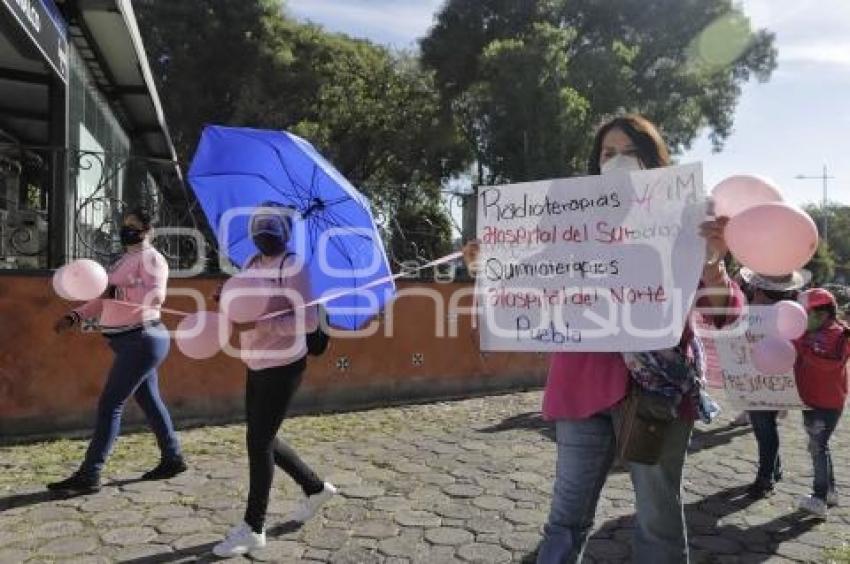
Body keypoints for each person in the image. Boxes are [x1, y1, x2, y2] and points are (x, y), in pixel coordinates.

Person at [466, 114, 742, 564]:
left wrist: (712, 262)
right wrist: (488, 265)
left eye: (629, 152)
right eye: (607, 153)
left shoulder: (688, 220)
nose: (616, 161)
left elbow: (723, 315)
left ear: (654, 160)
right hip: (582, 387)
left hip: (658, 394)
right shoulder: (570, 218)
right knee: (565, 518)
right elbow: (531, 282)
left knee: (658, 521)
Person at [213, 203, 336, 558]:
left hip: (284, 363)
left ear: (283, 232)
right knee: (262, 437)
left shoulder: (293, 265)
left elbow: (309, 320)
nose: (262, 231)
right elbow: (248, 303)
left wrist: (261, 325)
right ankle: (315, 488)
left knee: (258, 440)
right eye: (258, 224)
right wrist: (226, 299)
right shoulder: (252, 263)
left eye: (270, 225)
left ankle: (254, 527)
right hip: (254, 358)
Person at [49, 208, 186, 494]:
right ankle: (173, 458)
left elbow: (155, 296)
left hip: (142, 339)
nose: (127, 230)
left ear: (147, 230)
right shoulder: (124, 259)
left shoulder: (152, 258)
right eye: (124, 225)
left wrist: (116, 292)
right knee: (149, 401)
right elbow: (102, 298)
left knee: (111, 404)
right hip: (128, 341)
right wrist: (75, 316)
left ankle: (90, 474)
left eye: (133, 226)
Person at [736, 267, 810, 499]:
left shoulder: (757, 313)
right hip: (770, 380)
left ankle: (766, 477)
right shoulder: (789, 312)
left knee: (764, 428)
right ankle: (772, 470)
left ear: (759, 289)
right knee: (765, 427)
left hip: (762, 380)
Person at [793, 287, 848, 518]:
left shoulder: (841, 335)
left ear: (823, 314)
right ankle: (831, 491)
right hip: (809, 399)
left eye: (807, 313)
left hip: (828, 403)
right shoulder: (805, 332)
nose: (803, 318)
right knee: (818, 445)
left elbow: (832, 364)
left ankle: (819, 498)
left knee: (817, 446)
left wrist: (805, 351)